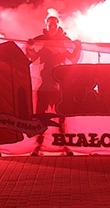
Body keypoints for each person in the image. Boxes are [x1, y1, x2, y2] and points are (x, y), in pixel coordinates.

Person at [26, 13, 81, 156]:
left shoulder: (64, 40)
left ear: (58, 25)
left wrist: (77, 48)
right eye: (49, 24)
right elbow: (32, 58)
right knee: (40, 117)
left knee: (61, 117)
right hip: (44, 84)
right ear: (46, 25)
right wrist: (30, 47)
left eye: (54, 24)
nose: (52, 27)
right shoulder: (40, 40)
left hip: (59, 85)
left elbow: (73, 59)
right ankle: (38, 146)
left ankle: (64, 146)